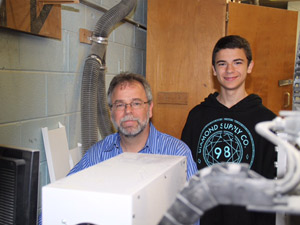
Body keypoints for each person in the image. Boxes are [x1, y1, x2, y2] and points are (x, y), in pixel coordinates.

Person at [181, 35, 277, 225]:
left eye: (237, 62)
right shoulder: (197, 116)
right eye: (222, 63)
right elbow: (186, 175)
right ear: (214, 70)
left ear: (250, 67)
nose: (230, 70)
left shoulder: (268, 122)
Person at [69, 72, 198, 179]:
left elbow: (197, 206)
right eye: (120, 105)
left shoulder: (177, 153)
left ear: (150, 109)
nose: (128, 111)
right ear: (111, 113)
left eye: (136, 103)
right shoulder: (97, 155)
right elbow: (66, 192)